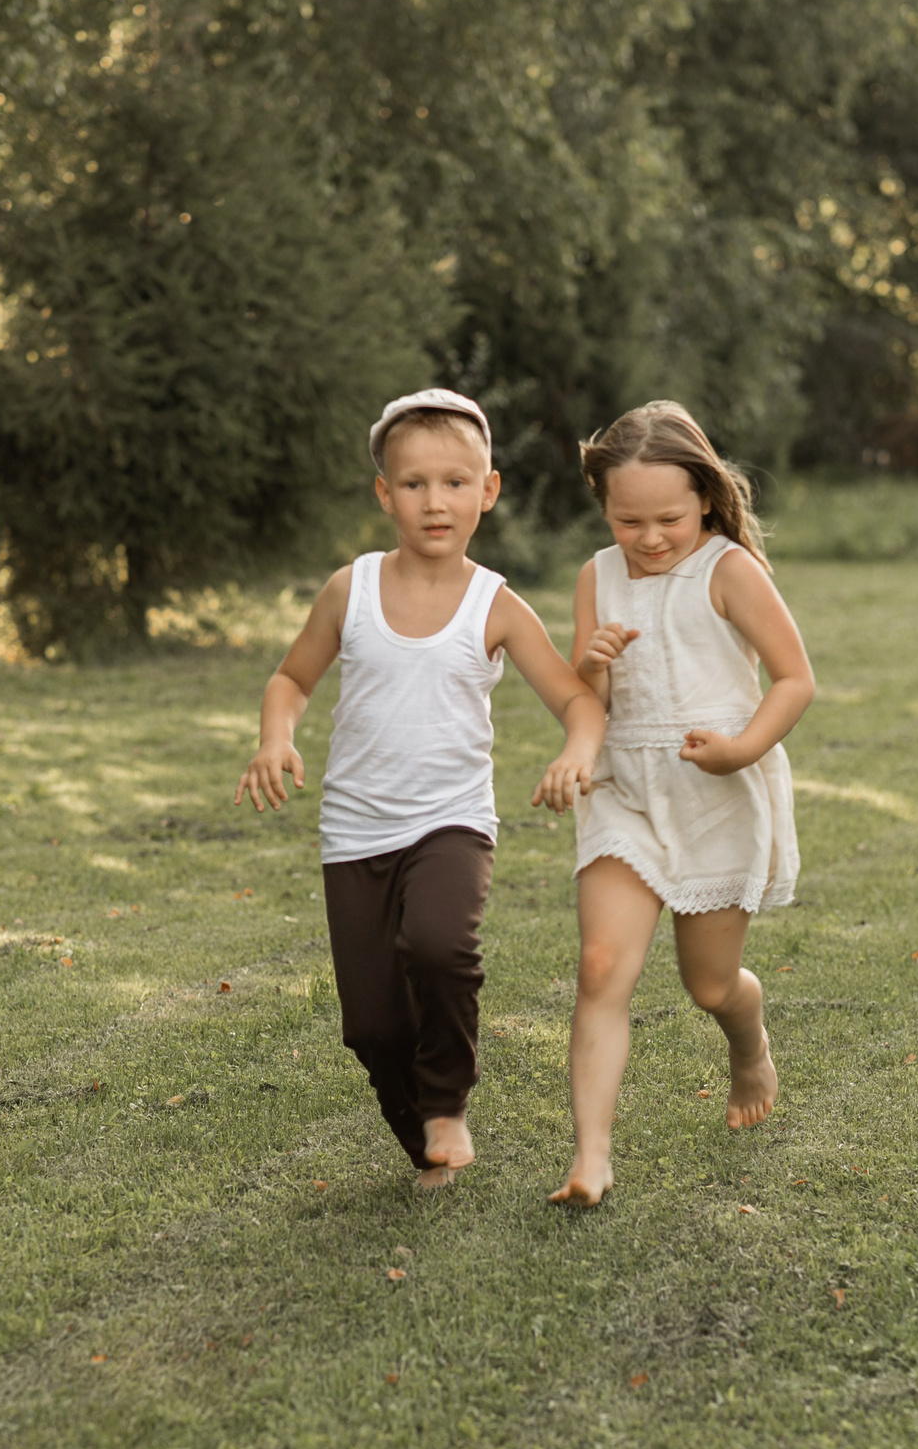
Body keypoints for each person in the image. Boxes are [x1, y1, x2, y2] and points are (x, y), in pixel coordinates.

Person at [238, 390, 605, 1188]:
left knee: (440, 945)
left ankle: (446, 1101)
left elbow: (577, 700)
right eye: (414, 484)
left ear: (488, 490)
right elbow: (291, 679)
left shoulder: (496, 604)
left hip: (451, 821)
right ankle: (424, 1144)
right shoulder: (351, 589)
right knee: (370, 1024)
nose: (435, 502)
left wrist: (577, 750)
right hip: (355, 830)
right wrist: (276, 736)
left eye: (454, 482)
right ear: (384, 493)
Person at [550, 401, 813, 1208]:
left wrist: (741, 749)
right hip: (625, 793)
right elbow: (589, 702)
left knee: (710, 985)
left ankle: (749, 1040)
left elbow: (794, 679)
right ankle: (591, 1158)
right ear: (604, 506)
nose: (651, 537)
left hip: (714, 793)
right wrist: (591, 665)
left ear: (704, 496)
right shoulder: (597, 576)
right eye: (628, 520)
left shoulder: (729, 570)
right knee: (601, 967)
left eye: (668, 518)